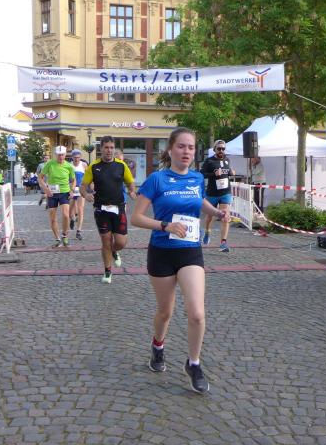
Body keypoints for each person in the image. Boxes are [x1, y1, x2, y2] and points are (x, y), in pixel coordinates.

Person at [131, 127, 228, 393]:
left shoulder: (197, 178)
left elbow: (200, 202)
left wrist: (217, 213)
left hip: (190, 251)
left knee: (196, 313)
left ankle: (193, 363)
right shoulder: (156, 179)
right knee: (166, 312)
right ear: (170, 149)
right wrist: (165, 225)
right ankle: (158, 345)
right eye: (181, 146)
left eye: (191, 147)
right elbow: (136, 218)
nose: (186, 151)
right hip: (162, 251)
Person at [80, 136, 137, 283]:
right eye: (106, 147)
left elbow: (130, 182)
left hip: (119, 208)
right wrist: (86, 195)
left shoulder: (121, 165)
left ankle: (114, 250)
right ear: (101, 149)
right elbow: (82, 187)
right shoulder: (94, 166)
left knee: (121, 242)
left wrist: (132, 191)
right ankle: (107, 272)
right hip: (101, 209)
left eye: (111, 148)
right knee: (106, 240)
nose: (109, 150)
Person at [200, 139, 235, 251]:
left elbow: (228, 172)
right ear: (214, 149)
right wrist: (213, 174)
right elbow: (202, 174)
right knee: (210, 217)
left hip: (225, 192)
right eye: (219, 148)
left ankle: (223, 243)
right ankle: (207, 232)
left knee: (225, 216)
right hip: (212, 193)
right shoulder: (209, 161)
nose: (221, 151)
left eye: (223, 149)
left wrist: (231, 172)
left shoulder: (227, 160)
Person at [39, 146, 76, 247]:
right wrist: (46, 189)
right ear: (56, 155)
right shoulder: (50, 164)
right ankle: (57, 239)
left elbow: (73, 180)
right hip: (52, 193)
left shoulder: (69, 166)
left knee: (66, 215)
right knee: (52, 217)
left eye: (62, 155)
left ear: (65, 155)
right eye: (59, 155)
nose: (60, 157)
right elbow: (40, 178)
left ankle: (65, 235)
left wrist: (72, 190)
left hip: (64, 192)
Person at [69, 149, 88, 240]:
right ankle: (72, 219)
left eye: (78, 157)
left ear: (80, 157)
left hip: (81, 189)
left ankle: (79, 231)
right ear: (72, 157)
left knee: (80, 209)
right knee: (70, 211)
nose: (76, 159)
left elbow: (88, 176)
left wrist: (88, 186)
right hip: (72, 189)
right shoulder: (69, 165)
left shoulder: (84, 165)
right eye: (75, 157)